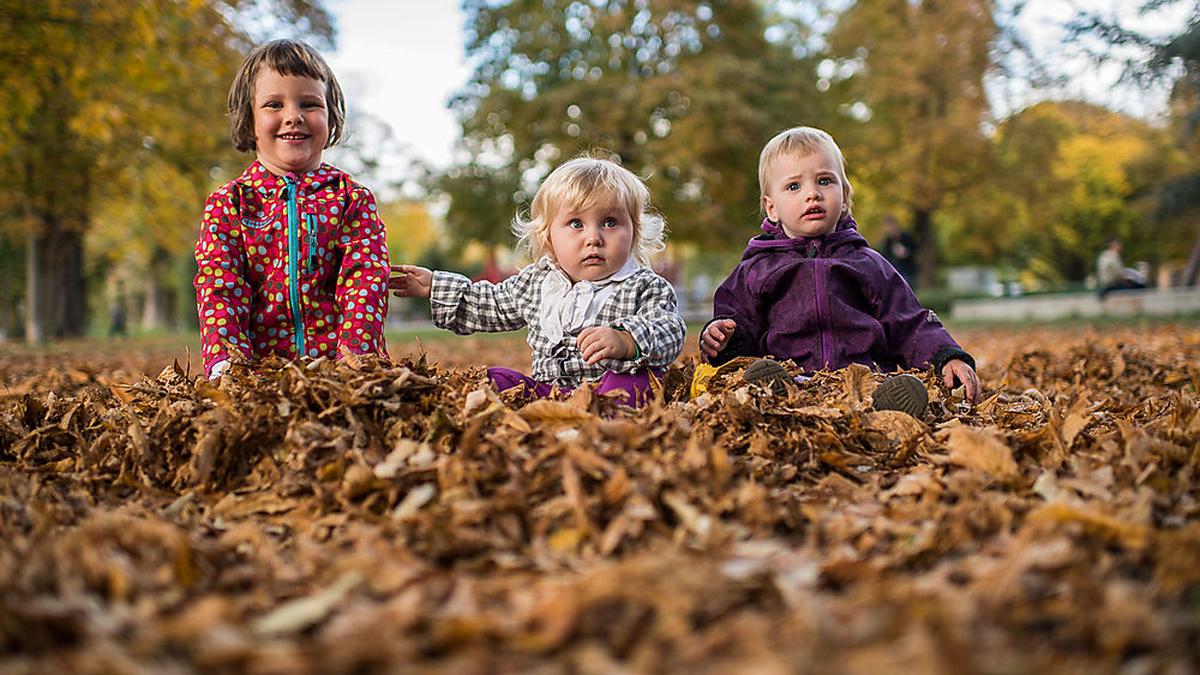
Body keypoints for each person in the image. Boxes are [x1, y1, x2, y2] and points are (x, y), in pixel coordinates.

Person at [698, 126, 980, 413]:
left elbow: (908, 321)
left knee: (887, 389)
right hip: (794, 381)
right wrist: (722, 338)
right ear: (772, 208)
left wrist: (945, 355)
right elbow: (737, 320)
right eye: (794, 186)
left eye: (824, 181)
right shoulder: (758, 269)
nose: (812, 194)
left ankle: (892, 404)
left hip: (863, 381)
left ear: (844, 196)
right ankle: (772, 394)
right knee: (766, 380)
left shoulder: (866, 263)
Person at [389, 157, 686, 408]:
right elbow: (489, 304)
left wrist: (626, 340)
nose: (593, 237)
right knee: (496, 379)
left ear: (634, 232)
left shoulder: (645, 285)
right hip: (550, 393)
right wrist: (434, 286)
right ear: (549, 237)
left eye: (610, 222)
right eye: (576, 224)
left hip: (608, 387)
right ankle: (536, 420)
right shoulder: (538, 282)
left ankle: (601, 423)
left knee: (634, 382)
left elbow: (670, 329)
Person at [193, 40, 389, 379]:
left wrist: (356, 360)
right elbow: (219, 286)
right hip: (257, 377)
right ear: (249, 119)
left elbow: (365, 278)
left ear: (331, 116)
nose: (293, 116)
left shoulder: (351, 199)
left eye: (309, 104)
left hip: (342, 375)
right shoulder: (230, 204)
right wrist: (229, 365)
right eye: (273, 104)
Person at [879, 214, 918, 287]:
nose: (889, 229)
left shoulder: (906, 236)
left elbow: (915, 249)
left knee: (909, 289)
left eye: (890, 226)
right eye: (887, 227)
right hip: (896, 271)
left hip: (908, 269)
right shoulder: (888, 241)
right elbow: (886, 256)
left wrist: (906, 252)